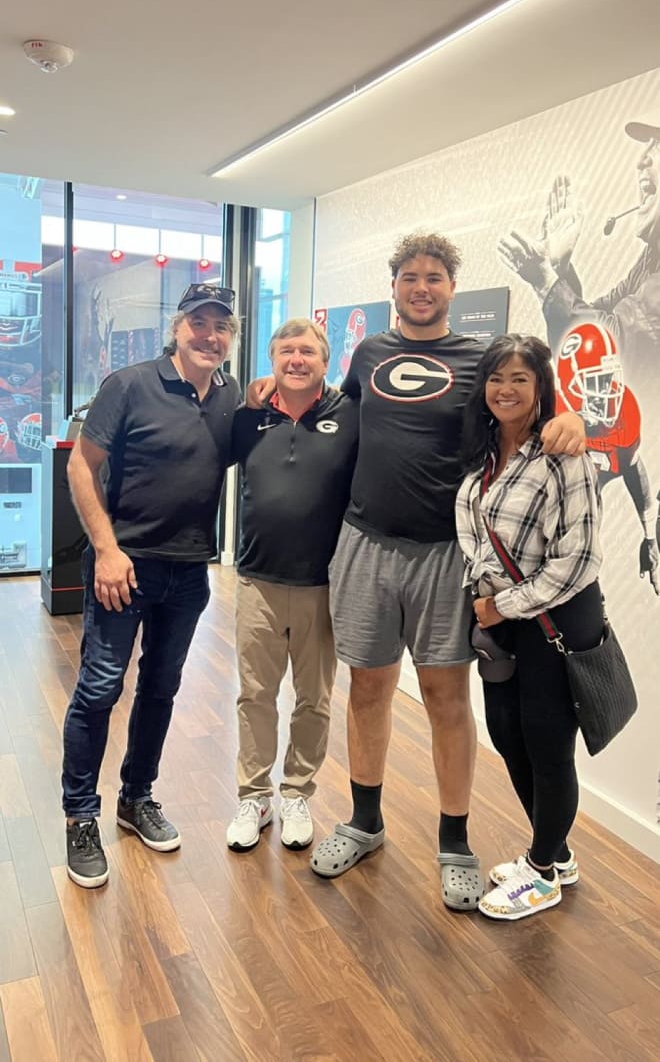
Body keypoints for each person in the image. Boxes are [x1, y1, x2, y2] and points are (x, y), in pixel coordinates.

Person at [307, 232, 585, 910]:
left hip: (446, 555)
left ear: (452, 288)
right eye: (409, 276)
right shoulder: (369, 352)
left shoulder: (477, 358)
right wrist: (272, 388)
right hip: (366, 544)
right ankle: (364, 820)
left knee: (445, 698)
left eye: (434, 277)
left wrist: (571, 414)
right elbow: (334, 413)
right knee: (367, 690)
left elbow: (528, 399)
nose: (421, 287)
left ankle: (455, 839)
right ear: (394, 287)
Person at [62, 282, 241, 888]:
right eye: (199, 323)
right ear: (177, 327)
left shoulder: (231, 395)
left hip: (189, 571)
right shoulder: (129, 384)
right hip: (124, 568)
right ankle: (80, 816)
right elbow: (80, 466)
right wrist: (107, 551)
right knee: (99, 689)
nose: (209, 335)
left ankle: (136, 797)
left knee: (162, 687)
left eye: (221, 325)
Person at [455, 334, 603, 920]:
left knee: (547, 747)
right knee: (508, 735)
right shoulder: (484, 451)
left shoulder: (567, 456)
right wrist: (487, 600)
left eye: (520, 378)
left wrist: (503, 605)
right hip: (504, 620)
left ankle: (540, 873)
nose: (506, 389)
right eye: (497, 377)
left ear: (541, 385)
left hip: (555, 619)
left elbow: (580, 560)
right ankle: (557, 853)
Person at [227, 318, 359, 852]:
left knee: (315, 698)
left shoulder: (351, 416)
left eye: (307, 351)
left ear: (326, 362)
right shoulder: (249, 417)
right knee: (255, 694)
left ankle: (297, 791)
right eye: (286, 352)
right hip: (257, 580)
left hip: (323, 584)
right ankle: (254, 795)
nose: (296, 360)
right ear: (272, 361)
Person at [497, 114, 660, 381]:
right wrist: (556, 270)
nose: (641, 160)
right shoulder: (652, 256)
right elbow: (598, 318)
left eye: (658, 144)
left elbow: (614, 346)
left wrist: (545, 281)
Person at [555, 321, 660, 594]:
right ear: (569, 383)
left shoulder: (625, 410)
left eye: (607, 379)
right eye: (595, 382)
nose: (606, 392)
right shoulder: (550, 413)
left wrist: (650, 539)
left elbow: (634, 470)